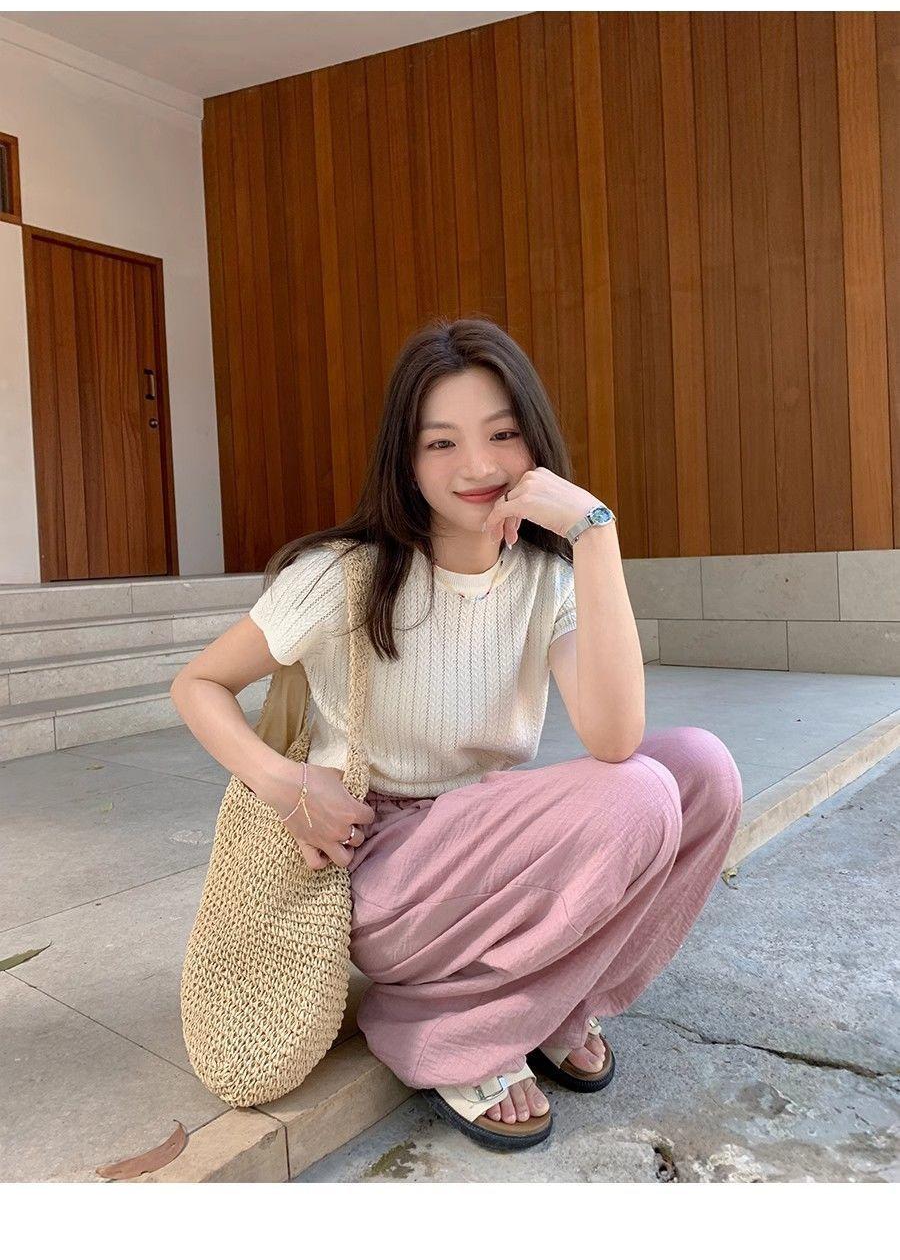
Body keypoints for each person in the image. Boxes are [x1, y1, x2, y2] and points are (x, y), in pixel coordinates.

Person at [172, 316, 743, 1153]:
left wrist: (594, 531)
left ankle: (557, 1006)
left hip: (482, 848)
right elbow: (197, 685)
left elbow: (616, 734)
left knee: (700, 770)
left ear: (534, 441)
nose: (478, 466)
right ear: (406, 461)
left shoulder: (546, 578)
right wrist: (284, 783)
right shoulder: (345, 574)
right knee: (638, 797)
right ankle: (446, 1034)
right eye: (441, 443)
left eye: (502, 435)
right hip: (381, 869)